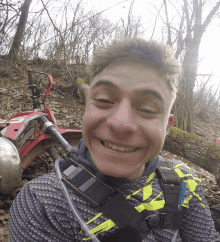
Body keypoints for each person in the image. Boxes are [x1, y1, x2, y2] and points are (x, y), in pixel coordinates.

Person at [9, 37, 220, 242]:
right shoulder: (44, 202)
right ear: (86, 109)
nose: (121, 123)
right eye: (104, 100)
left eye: (147, 109)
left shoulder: (184, 180)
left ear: (167, 126)